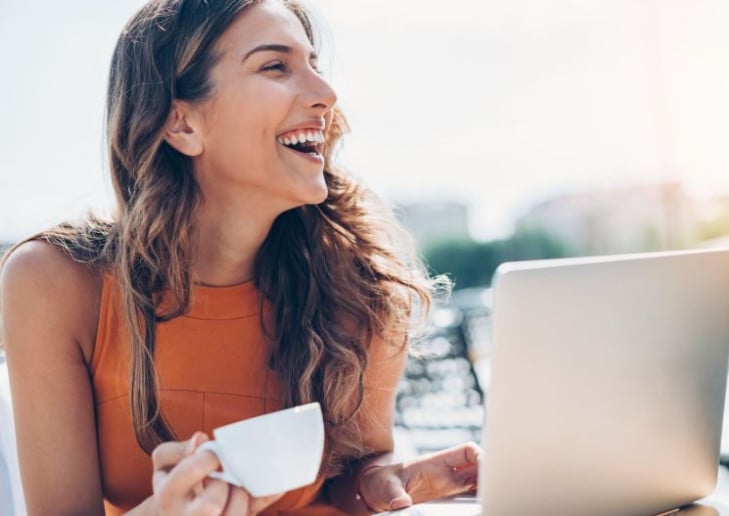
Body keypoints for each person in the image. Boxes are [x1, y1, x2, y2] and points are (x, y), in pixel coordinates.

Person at [0, 0, 480, 514]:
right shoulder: (54, 283)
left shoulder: (361, 286)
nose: (326, 93)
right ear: (181, 124)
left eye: (314, 65)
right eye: (275, 66)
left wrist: (382, 481)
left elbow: (357, 468)